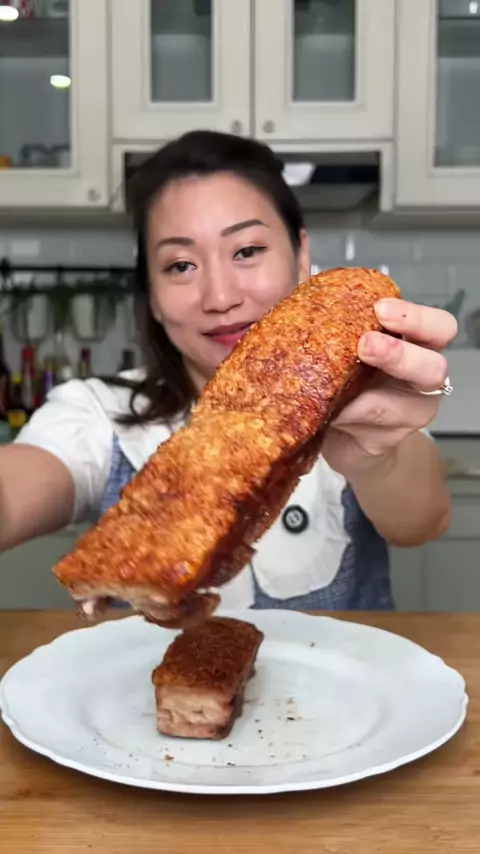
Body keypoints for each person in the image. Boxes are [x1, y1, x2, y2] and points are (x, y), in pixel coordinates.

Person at [0, 131, 457, 612]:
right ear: (151, 295)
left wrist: (374, 460)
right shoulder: (97, 411)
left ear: (301, 257)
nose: (220, 297)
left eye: (246, 251)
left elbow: (424, 523)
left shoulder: (366, 394)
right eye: (181, 265)